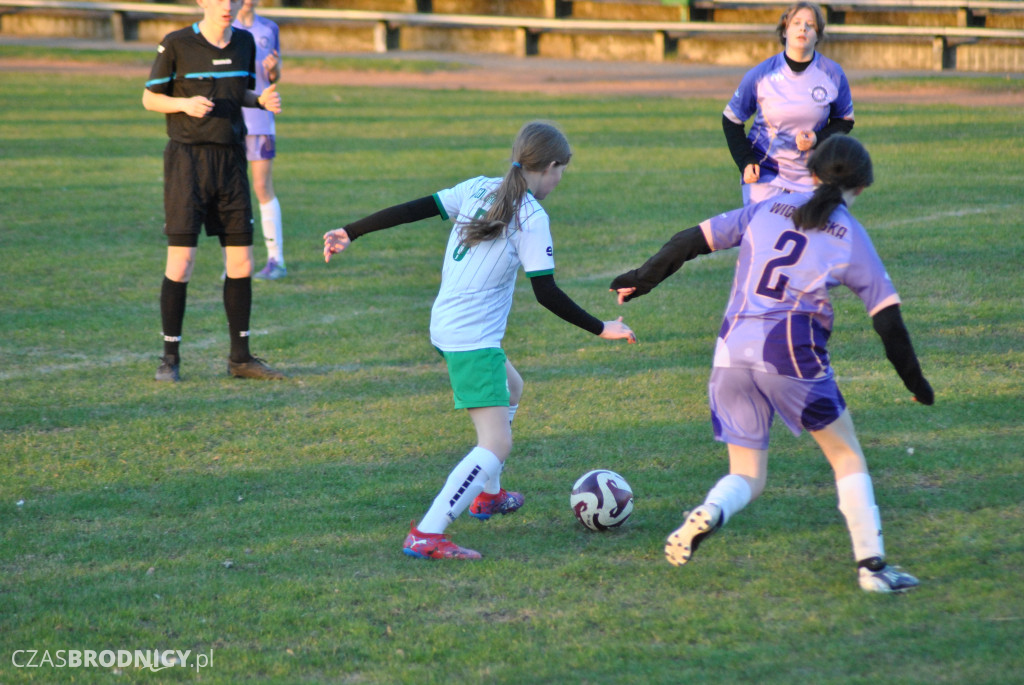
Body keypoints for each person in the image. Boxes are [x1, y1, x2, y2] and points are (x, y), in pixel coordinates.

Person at [610, 135, 933, 593]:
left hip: (729, 353)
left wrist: (640, 280)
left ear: (813, 172)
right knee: (845, 455)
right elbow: (889, 323)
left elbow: (691, 241)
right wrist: (916, 382)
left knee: (746, 473)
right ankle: (873, 568)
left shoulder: (767, 208)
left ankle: (709, 512)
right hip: (788, 352)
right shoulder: (850, 236)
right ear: (861, 187)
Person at [323, 121, 637, 560]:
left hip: (448, 324)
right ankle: (428, 532)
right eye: (561, 170)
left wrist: (351, 231)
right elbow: (546, 293)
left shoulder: (478, 188)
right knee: (495, 443)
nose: (561, 179)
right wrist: (602, 327)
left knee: (513, 388)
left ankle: (489, 496)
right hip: (472, 338)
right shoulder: (532, 217)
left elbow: (415, 208)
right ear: (548, 167)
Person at [143, 0, 285, 382]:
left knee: (241, 263)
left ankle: (241, 358)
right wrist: (184, 104)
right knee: (182, 262)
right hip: (187, 163)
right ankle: (169, 359)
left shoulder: (244, 42)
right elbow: (149, 98)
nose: (226, 5)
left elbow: (240, 94)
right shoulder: (176, 43)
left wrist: (262, 100)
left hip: (231, 161)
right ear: (201, 2)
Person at [722, 1, 854, 206]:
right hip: (766, 175)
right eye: (797, 23)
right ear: (784, 30)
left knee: (809, 236)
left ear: (818, 35)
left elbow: (844, 121)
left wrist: (817, 138)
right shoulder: (761, 74)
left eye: (810, 25)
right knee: (764, 237)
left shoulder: (833, 74)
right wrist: (746, 161)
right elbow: (731, 119)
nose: (803, 28)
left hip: (812, 177)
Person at [234, 0, 286, 281]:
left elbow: (275, 76)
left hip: (260, 121)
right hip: (231, 118)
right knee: (233, 189)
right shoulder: (225, 26)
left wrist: (274, 68)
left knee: (261, 187)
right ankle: (238, 260)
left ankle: (276, 260)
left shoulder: (269, 28)